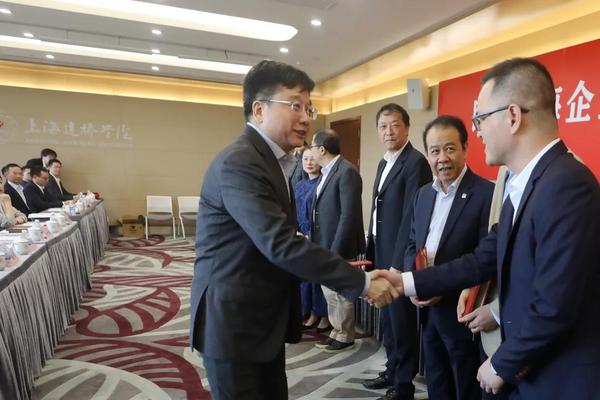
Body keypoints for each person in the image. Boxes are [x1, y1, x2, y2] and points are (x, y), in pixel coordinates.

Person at [374, 57, 600, 399]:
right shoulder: (523, 184)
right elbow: (483, 258)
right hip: (532, 366)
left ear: (513, 116)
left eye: (480, 118)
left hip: (558, 377)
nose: (477, 131)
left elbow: (556, 304)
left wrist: (502, 364)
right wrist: (405, 282)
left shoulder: (567, 185)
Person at [189, 60, 397, 400]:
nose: (306, 118)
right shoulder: (240, 162)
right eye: (295, 106)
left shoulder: (271, 161)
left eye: (308, 108)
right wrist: (360, 282)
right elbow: (281, 244)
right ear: (259, 110)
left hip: (260, 322)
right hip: (234, 325)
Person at [404, 115, 493, 400]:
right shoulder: (422, 195)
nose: (442, 158)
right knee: (436, 377)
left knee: (464, 381)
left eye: (450, 148)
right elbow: (412, 244)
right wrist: (415, 284)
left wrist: (440, 286)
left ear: (465, 149)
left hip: (461, 310)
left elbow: (486, 256)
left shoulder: (487, 194)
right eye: (435, 151)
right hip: (426, 309)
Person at [362, 103, 432, 400]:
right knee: (387, 320)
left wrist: (396, 263)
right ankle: (391, 370)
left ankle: (403, 385)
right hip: (380, 250)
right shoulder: (384, 162)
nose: (388, 132)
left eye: (394, 125)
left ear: (407, 128)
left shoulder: (415, 162)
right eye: (383, 126)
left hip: (398, 259)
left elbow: (411, 217)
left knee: (402, 322)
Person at [310, 128, 365, 352]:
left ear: (322, 149)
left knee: (340, 292)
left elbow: (348, 215)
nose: (311, 152)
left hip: (338, 246)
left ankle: (345, 334)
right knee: (330, 292)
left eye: (313, 147)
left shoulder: (346, 171)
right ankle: (337, 330)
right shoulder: (327, 172)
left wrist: (336, 250)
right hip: (324, 243)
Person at [294, 146, 331, 333]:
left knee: (318, 277)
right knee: (304, 277)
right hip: (300, 235)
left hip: (317, 236)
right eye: (305, 159)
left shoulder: (323, 183)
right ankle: (309, 311)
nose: (309, 163)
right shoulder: (299, 185)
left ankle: (323, 315)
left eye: (312, 159)